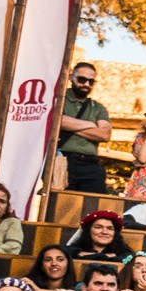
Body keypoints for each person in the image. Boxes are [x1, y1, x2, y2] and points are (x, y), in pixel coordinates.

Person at [53, 61, 112, 193]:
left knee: (92, 203)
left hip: (91, 165)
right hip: (63, 160)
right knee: (60, 203)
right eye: (82, 79)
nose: (86, 84)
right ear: (71, 78)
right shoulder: (59, 99)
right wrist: (90, 125)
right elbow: (57, 120)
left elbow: (105, 134)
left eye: (91, 81)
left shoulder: (98, 107)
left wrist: (71, 126)